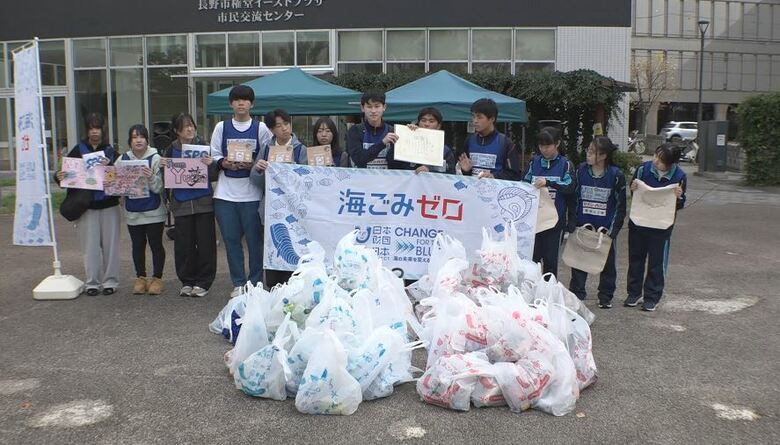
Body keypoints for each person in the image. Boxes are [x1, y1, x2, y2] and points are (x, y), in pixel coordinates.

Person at [210, 85, 272, 298]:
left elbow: (268, 155)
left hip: (252, 194)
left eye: (245, 100)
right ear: (231, 103)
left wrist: (253, 164)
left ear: (252, 104)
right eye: (237, 100)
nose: (241, 103)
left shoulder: (261, 128)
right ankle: (238, 283)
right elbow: (214, 153)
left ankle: (255, 283)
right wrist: (224, 163)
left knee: (255, 242)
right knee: (231, 241)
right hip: (225, 194)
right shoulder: (221, 127)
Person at [54, 113, 120, 296]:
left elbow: (121, 177)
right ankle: (92, 283)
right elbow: (66, 175)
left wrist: (110, 166)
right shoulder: (78, 149)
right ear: (87, 130)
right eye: (91, 128)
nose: (94, 132)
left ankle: (111, 281)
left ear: (103, 130)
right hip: (87, 207)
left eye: (97, 128)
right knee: (89, 247)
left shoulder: (110, 151)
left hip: (109, 205)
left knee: (111, 247)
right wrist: (58, 176)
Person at [250, 108, 308, 289]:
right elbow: (255, 180)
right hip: (272, 208)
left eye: (286, 124)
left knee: (295, 246)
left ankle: (295, 285)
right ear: (271, 130)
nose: (284, 128)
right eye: (278, 126)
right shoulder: (267, 149)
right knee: (273, 245)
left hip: (294, 209)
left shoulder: (301, 149)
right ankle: (274, 286)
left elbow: (308, 181)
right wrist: (258, 169)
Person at [625, 143, 686, 312]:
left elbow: (680, 204)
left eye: (661, 160)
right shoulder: (643, 170)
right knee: (635, 259)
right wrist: (633, 188)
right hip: (639, 223)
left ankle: (652, 297)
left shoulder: (679, 176)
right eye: (656, 156)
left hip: (661, 226)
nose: (656, 161)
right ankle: (634, 293)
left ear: (671, 163)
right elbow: (635, 192)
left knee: (656, 262)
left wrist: (679, 197)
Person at [568, 136, 626, 309]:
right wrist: (573, 221)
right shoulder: (580, 170)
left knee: (607, 263)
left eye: (592, 152)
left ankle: (606, 296)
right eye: (588, 150)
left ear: (603, 156)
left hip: (605, 229)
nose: (588, 154)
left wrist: (613, 230)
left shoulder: (616, 175)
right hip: (583, 226)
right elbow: (574, 197)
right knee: (579, 261)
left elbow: (620, 205)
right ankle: (577, 293)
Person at [164, 113, 218, 298]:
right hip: (181, 203)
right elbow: (166, 179)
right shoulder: (170, 149)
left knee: (205, 244)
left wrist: (211, 164)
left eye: (191, 125)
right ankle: (187, 281)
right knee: (183, 245)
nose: (189, 129)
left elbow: (214, 175)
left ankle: (203, 282)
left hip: (204, 202)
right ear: (176, 130)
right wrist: (163, 167)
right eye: (185, 126)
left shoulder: (203, 146)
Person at [115, 124, 166, 295]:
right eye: (134, 137)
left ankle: (157, 278)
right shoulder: (122, 160)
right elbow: (115, 183)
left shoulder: (156, 158)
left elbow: (160, 188)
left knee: (156, 245)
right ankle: (141, 277)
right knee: (137, 245)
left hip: (154, 211)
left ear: (147, 140)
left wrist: (151, 177)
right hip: (133, 211)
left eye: (142, 137)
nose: (138, 140)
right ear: (129, 141)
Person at [523, 126, 576, 276]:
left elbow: (570, 187)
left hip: (555, 222)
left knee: (550, 262)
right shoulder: (534, 162)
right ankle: (531, 288)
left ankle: (549, 289)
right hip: (534, 220)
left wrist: (549, 182)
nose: (544, 149)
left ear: (557, 143)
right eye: (541, 146)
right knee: (532, 260)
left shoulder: (565, 164)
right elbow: (524, 183)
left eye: (548, 146)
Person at [456, 98, 523, 180]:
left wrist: (494, 176)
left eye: (479, 117)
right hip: (472, 187)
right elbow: (465, 173)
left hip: (496, 188)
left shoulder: (505, 143)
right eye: (473, 116)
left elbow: (515, 175)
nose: (475, 121)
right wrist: (466, 170)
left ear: (492, 119)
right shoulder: (469, 140)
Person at [388, 106, 456, 174]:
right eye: (423, 120)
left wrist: (429, 172)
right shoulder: (407, 144)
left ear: (438, 126)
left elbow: (450, 174)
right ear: (418, 123)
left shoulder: (445, 150)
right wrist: (404, 136)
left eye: (431, 121)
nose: (426, 124)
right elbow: (392, 164)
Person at [346, 91, 398, 169]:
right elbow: (359, 159)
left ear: (384, 107)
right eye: (369, 107)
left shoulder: (392, 131)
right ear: (362, 108)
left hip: (386, 176)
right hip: (362, 176)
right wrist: (382, 143)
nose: (373, 111)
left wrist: (411, 132)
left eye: (377, 106)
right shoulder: (355, 130)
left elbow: (397, 163)